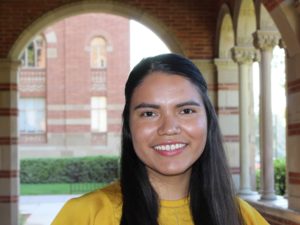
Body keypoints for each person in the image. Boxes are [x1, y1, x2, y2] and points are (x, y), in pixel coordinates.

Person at [51, 53, 269, 225]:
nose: (169, 128)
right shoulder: (85, 215)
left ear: (208, 120)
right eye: (149, 114)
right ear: (129, 126)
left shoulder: (243, 217)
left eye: (186, 111)